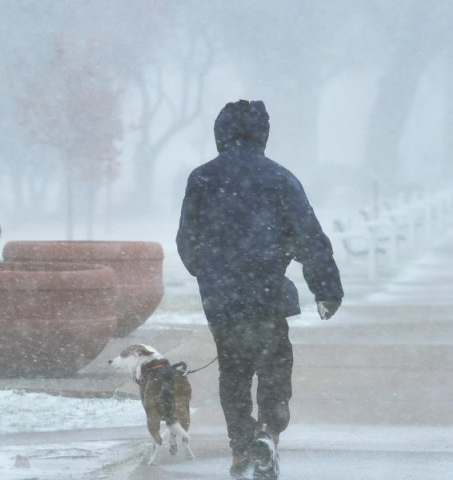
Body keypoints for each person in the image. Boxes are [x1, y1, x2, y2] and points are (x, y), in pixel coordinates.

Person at [176, 99, 343, 480]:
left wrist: (210, 272)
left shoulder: (202, 178)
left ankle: (239, 447)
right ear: (262, 134)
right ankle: (268, 431)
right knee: (274, 367)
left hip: (223, 299)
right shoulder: (280, 179)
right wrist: (326, 289)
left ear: (220, 133)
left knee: (233, 373)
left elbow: (187, 241)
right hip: (268, 293)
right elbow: (309, 237)